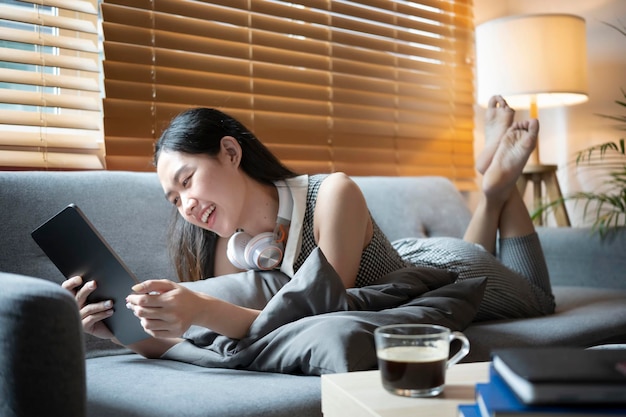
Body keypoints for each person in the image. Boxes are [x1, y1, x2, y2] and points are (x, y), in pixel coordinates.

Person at [62, 95, 555, 359]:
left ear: (231, 153)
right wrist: (122, 329)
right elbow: (202, 336)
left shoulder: (332, 194)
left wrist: (203, 307)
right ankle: (494, 184)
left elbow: (315, 311)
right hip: (408, 263)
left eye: (187, 181)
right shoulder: (219, 250)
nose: (186, 205)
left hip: (441, 268)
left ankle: (495, 186)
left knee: (538, 297)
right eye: (174, 200)